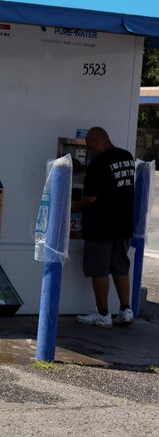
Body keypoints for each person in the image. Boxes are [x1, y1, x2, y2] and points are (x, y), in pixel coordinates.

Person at [72, 127, 135, 328]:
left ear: (98, 140)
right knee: (120, 267)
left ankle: (103, 314)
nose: (90, 150)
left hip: (101, 225)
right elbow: (113, 182)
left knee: (99, 270)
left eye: (90, 146)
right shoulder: (126, 156)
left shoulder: (97, 164)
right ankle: (126, 310)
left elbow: (90, 198)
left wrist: (71, 206)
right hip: (123, 223)